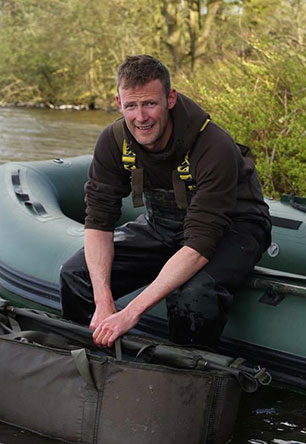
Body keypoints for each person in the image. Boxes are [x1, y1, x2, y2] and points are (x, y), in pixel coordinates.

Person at [59, 55, 271, 349]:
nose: (141, 117)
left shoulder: (213, 145)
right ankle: (94, 364)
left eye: (150, 104)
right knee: (76, 275)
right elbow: (98, 222)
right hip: (163, 224)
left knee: (192, 295)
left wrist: (131, 312)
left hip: (233, 228)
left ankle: (187, 381)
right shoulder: (113, 141)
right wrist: (104, 300)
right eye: (131, 106)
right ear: (119, 103)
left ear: (170, 98)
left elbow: (200, 244)